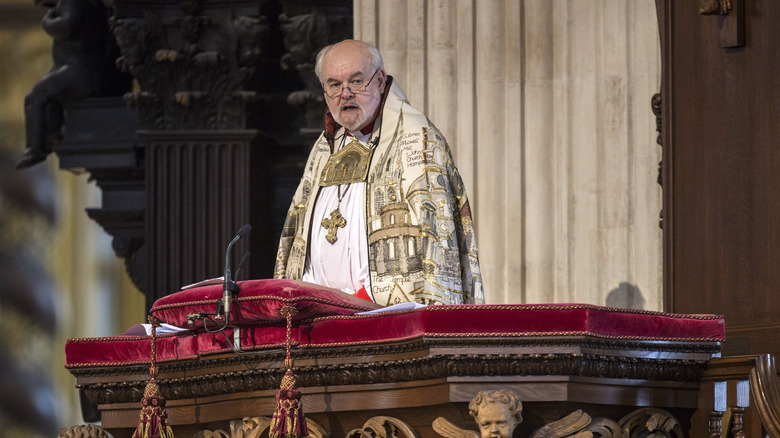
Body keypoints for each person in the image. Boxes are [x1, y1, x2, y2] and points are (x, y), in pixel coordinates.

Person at [274, 39, 483, 306]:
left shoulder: (416, 139)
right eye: (334, 85)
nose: (345, 93)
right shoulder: (323, 149)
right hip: (316, 315)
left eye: (357, 81)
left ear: (380, 80)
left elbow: (437, 239)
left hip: (385, 315)